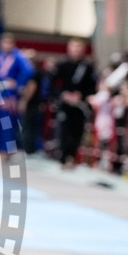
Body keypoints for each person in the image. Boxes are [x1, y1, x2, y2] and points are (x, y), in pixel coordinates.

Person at [50, 38, 96, 168]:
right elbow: (53, 84)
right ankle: (63, 157)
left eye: (79, 48)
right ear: (69, 49)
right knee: (63, 130)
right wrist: (63, 94)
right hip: (64, 105)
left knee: (77, 131)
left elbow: (92, 87)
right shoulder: (62, 65)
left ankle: (72, 157)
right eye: (74, 47)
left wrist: (81, 95)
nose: (76, 50)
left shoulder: (87, 67)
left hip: (79, 106)